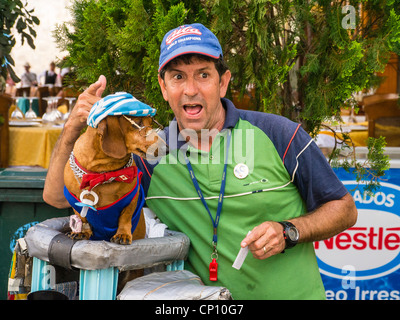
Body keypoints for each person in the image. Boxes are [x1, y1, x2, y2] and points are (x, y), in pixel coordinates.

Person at [43, 23, 357, 300]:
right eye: (178, 77)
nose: (191, 90)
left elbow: (343, 209)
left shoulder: (277, 133)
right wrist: (72, 132)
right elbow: (57, 197)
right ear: (164, 88)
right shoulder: (153, 153)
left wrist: (288, 231)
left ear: (223, 83)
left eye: (203, 75)